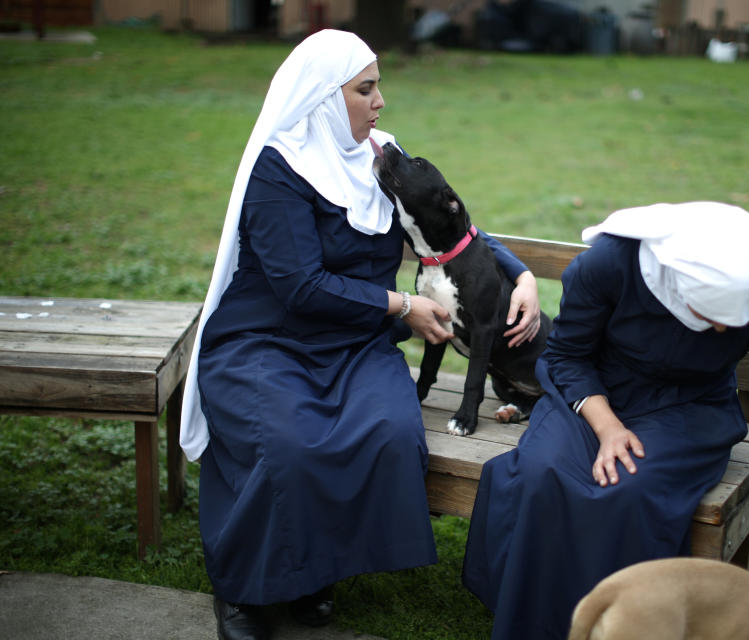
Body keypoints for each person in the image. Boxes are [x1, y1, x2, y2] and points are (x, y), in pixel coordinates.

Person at [179, 30, 542, 640]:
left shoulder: (378, 157)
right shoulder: (280, 168)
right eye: (365, 89)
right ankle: (246, 591)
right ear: (325, 99)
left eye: (378, 87)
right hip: (267, 339)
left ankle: (315, 573)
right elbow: (299, 286)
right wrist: (400, 304)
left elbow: (447, 221)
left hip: (353, 344)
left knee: (390, 432)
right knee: (287, 443)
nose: (380, 102)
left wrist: (520, 271)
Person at [462, 202, 749, 639]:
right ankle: (536, 626)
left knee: (628, 488)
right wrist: (608, 427)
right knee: (543, 474)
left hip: (688, 410)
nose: (721, 333)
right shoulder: (611, 263)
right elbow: (566, 357)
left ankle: (627, 623)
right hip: (593, 393)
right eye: (712, 316)